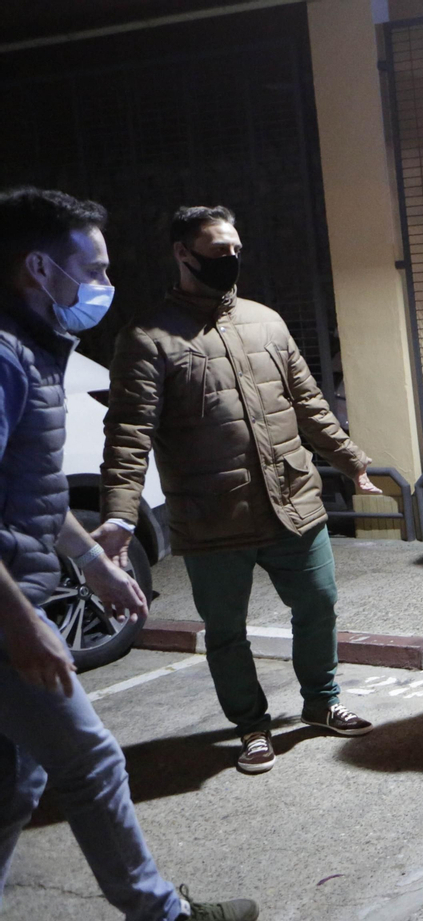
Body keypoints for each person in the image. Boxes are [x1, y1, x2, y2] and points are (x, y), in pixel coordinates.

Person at [0, 188, 256, 920]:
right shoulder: (5, 359)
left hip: (20, 593)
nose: (105, 286)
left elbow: (31, 491)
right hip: (4, 614)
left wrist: (91, 562)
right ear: (40, 268)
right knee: (92, 763)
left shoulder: (33, 349)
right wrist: (21, 622)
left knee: (13, 782)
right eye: (95, 268)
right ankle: (162, 914)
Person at [99, 206, 377, 775]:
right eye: (216, 251)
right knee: (227, 633)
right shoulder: (148, 338)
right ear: (182, 253)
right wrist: (120, 518)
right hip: (212, 517)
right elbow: (128, 437)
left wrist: (351, 460)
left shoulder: (266, 321)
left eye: (234, 249)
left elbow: (307, 404)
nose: (229, 260)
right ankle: (251, 725)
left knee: (319, 606)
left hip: (292, 501)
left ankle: (322, 704)